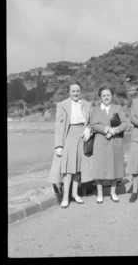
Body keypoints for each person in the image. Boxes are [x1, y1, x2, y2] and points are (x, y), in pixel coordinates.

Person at [48, 79, 93, 209]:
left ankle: (75, 194)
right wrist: (58, 145)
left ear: (81, 91)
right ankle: (66, 197)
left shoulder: (86, 104)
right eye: (73, 91)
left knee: (78, 169)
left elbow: (91, 121)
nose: (76, 93)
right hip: (69, 137)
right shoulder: (62, 105)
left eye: (78, 90)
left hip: (82, 137)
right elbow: (59, 125)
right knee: (68, 170)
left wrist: (88, 129)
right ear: (69, 92)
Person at [87, 85, 129, 204]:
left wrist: (115, 130)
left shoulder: (117, 108)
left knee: (114, 167)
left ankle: (113, 193)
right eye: (104, 95)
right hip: (100, 141)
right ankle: (99, 193)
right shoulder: (94, 109)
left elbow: (125, 123)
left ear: (112, 96)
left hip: (115, 141)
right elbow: (93, 124)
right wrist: (106, 129)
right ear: (100, 97)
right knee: (100, 168)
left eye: (108, 95)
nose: (106, 97)